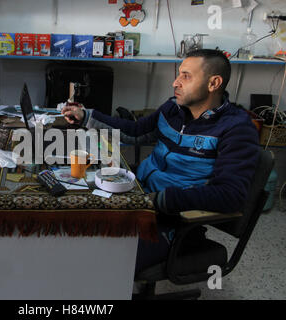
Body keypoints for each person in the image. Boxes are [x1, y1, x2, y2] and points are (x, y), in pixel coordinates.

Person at [61, 49, 259, 273]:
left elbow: (230, 195)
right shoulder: (172, 109)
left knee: (97, 262)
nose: (175, 83)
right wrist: (86, 116)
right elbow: (135, 132)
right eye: (178, 75)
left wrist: (161, 200)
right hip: (139, 193)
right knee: (72, 223)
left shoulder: (236, 129)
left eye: (186, 76)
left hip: (172, 221)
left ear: (213, 83)